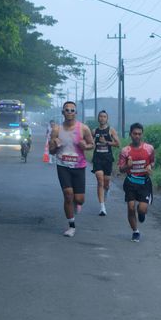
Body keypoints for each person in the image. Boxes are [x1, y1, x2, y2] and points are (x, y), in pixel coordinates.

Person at [49, 101, 94, 237]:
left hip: (79, 166)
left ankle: (76, 202)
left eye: (72, 110)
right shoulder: (56, 130)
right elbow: (51, 151)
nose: (69, 112)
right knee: (68, 194)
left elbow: (92, 144)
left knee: (80, 199)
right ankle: (71, 226)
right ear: (63, 112)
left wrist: (85, 146)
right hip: (63, 165)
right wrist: (55, 145)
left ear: (76, 113)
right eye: (67, 110)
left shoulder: (83, 128)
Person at [118, 122, 155, 242]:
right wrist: (128, 166)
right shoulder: (125, 151)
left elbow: (153, 162)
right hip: (130, 182)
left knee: (142, 209)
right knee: (130, 206)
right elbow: (121, 169)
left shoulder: (149, 148)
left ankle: (141, 212)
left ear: (142, 134)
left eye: (139, 134)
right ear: (130, 134)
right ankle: (135, 231)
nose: (137, 136)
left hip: (144, 183)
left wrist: (150, 166)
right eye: (135, 134)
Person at [91, 110, 120, 216]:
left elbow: (118, 143)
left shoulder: (111, 130)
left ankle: (106, 191)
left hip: (107, 159)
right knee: (100, 181)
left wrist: (106, 142)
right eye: (100, 116)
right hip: (97, 158)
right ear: (98, 118)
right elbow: (90, 143)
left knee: (106, 183)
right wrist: (92, 144)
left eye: (104, 116)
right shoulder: (94, 131)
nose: (102, 118)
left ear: (107, 119)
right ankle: (102, 207)